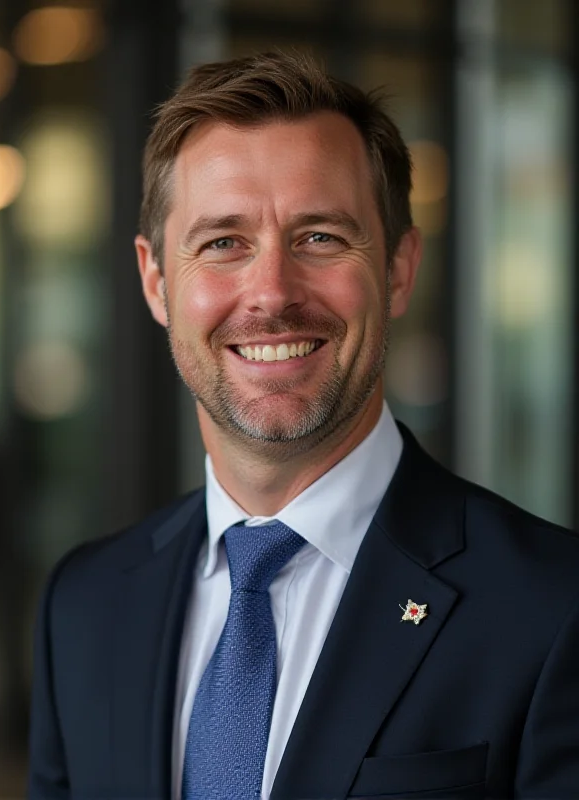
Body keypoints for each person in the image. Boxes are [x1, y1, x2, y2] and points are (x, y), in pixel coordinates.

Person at [28, 50, 579, 800]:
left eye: (320, 236)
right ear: (157, 280)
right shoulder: (86, 604)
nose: (272, 293)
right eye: (223, 242)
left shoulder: (553, 609)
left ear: (397, 270)